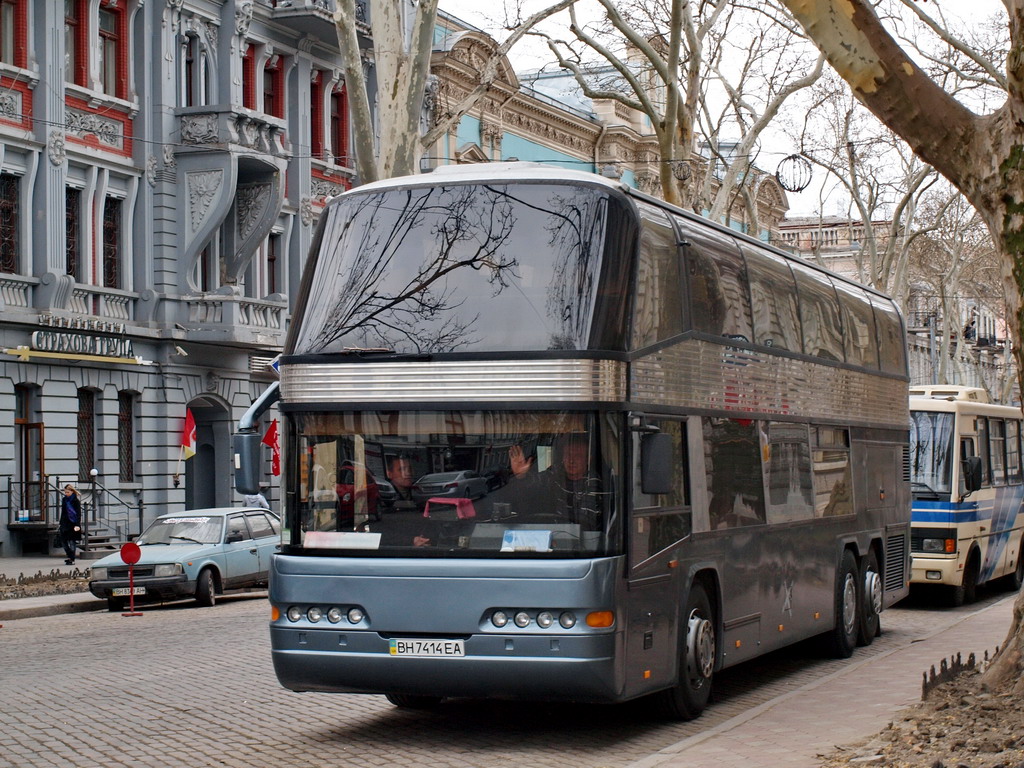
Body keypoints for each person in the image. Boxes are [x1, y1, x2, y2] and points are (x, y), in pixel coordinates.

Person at [504, 435, 607, 528]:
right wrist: (522, 475)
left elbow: (585, 522)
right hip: (557, 533)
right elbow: (536, 481)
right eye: (568, 455)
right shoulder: (557, 472)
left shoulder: (593, 482)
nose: (571, 460)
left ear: (588, 459)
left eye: (578, 456)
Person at [58, 484, 82, 566]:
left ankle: (72, 559)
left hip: (73, 523)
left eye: (67, 492)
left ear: (72, 491)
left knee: (72, 541)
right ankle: (70, 555)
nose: (66, 494)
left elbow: (78, 514)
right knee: (63, 541)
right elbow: (63, 512)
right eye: (65, 492)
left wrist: (77, 525)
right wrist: (61, 522)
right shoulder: (64, 500)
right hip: (65, 523)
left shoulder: (76, 501)